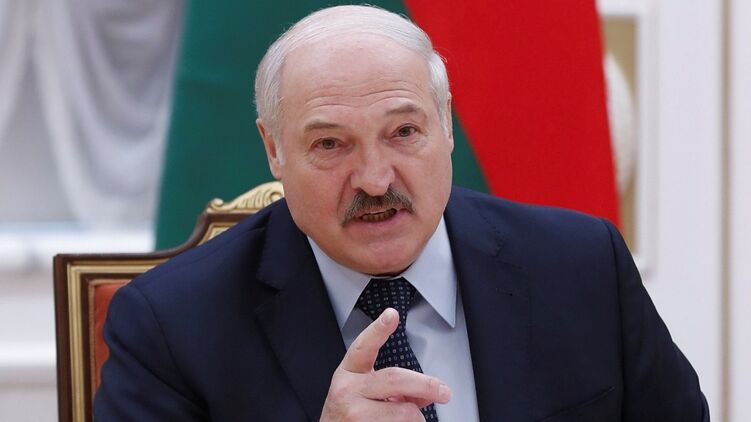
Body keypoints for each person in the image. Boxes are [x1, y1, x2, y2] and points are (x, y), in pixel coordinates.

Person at [95, 5, 709, 421]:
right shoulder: (172, 325)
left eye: (404, 132)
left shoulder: (582, 268)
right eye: (330, 144)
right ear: (274, 150)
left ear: (446, 127)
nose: (375, 179)